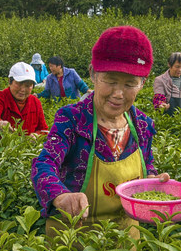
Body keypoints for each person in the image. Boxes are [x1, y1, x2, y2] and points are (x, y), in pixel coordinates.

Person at [31, 26, 169, 235]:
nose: (119, 93)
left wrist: (154, 183)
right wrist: (61, 195)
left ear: (142, 84)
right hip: (72, 238)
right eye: (111, 81)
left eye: (130, 83)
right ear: (93, 74)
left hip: (125, 237)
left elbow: (147, 164)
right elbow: (44, 163)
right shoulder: (71, 119)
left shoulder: (142, 124)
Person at [0, 62, 49, 136]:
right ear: (10, 81)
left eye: (28, 85)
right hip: (4, 146)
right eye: (19, 84)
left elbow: (44, 130)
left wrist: (37, 136)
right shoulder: (0, 97)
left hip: (28, 147)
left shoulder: (35, 102)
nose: (23, 90)